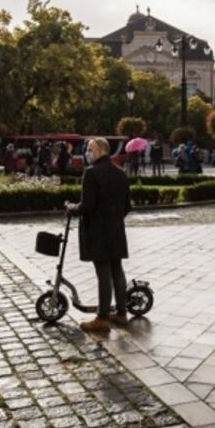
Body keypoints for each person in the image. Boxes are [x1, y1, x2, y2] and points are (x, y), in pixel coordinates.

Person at [65, 137, 132, 333]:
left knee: (103, 274)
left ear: (102, 151)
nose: (87, 152)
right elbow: (128, 206)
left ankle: (102, 317)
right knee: (117, 271)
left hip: (97, 231)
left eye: (90, 149)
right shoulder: (121, 174)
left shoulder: (91, 173)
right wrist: (114, 218)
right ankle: (121, 313)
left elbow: (87, 205)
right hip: (116, 230)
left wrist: (71, 208)